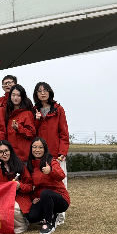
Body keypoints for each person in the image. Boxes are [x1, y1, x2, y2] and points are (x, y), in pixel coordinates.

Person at [33, 82, 70, 226]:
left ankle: (60, 216)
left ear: (50, 92)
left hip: (56, 154)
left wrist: (63, 152)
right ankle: (46, 213)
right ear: (36, 94)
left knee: (60, 183)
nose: (42, 93)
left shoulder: (58, 109)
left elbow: (63, 132)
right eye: (39, 91)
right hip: (40, 155)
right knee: (42, 184)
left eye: (45, 90)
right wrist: (36, 120)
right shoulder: (35, 110)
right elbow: (32, 132)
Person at [25, 138, 69, 234]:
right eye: (34, 147)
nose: (37, 150)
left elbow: (62, 175)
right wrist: (33, 198)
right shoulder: (30, 166)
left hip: (60, 198)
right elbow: (30, 185)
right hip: (43, 199)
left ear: (45, 149)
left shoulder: (51, 161)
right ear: (31, 149)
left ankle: (49, 223)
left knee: (45, 192)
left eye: (40, 147)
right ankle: (53, 215)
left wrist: (51, 171)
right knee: (31, 217)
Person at [0, 140, 33, 234]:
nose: (4, 154)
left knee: (14, 207)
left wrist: (20, 186)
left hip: (20, 196)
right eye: (1, 152)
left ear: (11, 151)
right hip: (3, 197)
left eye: (6, 150)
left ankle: (22, 224)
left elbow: (30, 186)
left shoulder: (20, 165)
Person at [4, 84, 36, 162]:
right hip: (11, 155)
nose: (15, 98)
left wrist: (19, 128)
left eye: (18, 95)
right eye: (13, 95)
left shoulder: (27, 113)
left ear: (22, 97)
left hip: (23, 156)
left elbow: (32, 133)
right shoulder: (8, 113)